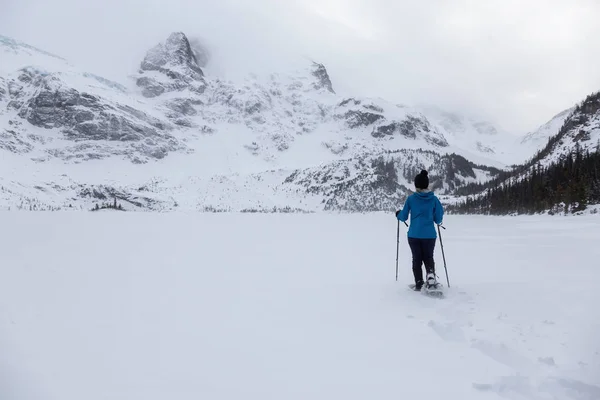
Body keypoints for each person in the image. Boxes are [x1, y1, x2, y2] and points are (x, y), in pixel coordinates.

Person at [395, 170, 444, 291]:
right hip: (429, 235)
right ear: (427, 185)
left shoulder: (411, 199)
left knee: (416, 258)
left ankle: (419, 282)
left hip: (414, 235)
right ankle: (431, 275)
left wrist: (398, 214)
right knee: (428, 257)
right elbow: (438, 219)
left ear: (416, 185)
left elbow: (404, 216)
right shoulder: (434, 200)